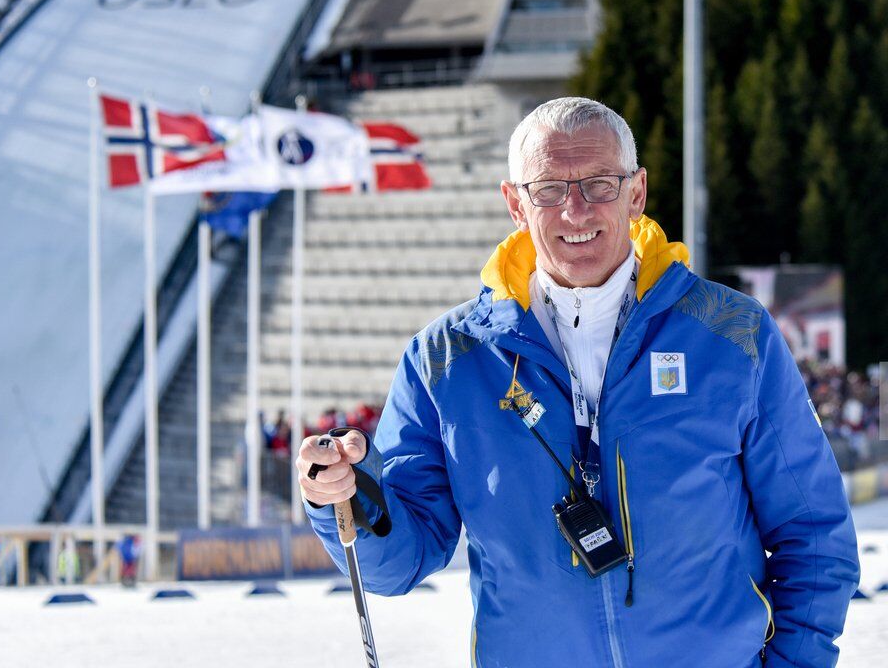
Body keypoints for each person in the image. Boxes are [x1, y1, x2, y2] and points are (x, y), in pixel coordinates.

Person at [297, 98, 860, 667]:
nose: (575, 211)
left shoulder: (731, 334)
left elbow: (812, 532)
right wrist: (345, 498)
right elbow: (400, 562)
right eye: (548, 190)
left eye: (599, 185)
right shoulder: (445, 360)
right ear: (516, 203)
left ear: (636, 193)